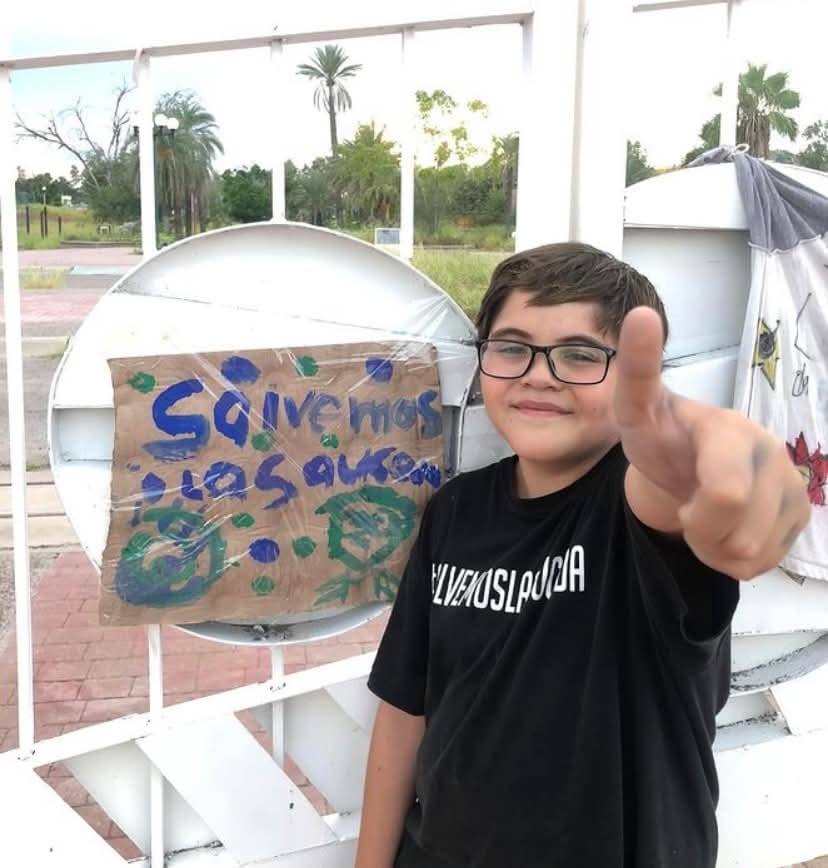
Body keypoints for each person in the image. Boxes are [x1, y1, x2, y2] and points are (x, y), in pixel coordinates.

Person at [354, 242, 811, 868]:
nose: (539, 375)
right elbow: (406, 710)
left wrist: (705, 472)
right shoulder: (455, 511)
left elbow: (670, 505)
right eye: (511, 347)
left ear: (636, 377)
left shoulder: (638, 510)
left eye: (581, 355)